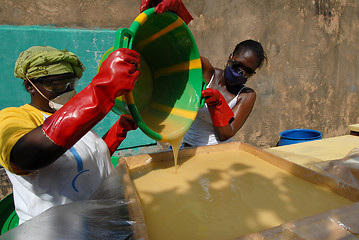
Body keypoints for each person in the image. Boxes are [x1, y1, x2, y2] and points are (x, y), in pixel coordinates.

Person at [0, 0, 192, 225]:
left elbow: (87, 161)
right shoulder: (13, 118)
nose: (66, 91)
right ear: (30, 86)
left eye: (70, 83)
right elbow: (27, 157)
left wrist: (119, 131)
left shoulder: (71, 114)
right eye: (56, 85)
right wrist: (101, 92)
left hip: (101, 225)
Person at [183, 40, 267, 147]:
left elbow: (224, 135)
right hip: (188, 147)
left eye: (247, 71)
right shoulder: (206, 71)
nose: (240, 72)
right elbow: (182, 54)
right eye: (237, 64)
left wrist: (217, 105)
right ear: (230, 58)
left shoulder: (246, 95)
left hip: (219, 151)